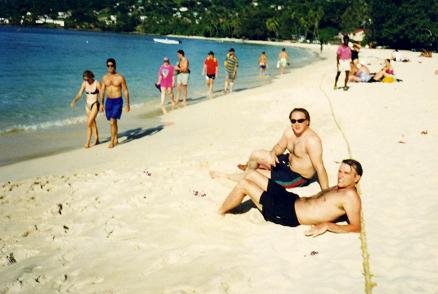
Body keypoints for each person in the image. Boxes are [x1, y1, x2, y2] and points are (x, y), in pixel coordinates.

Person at [213, 159, 363, 236]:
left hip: (288, 214)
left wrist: (328, 225)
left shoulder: (350, 196)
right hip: (291, 199)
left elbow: (356, 227)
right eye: (340, 171)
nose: (340, 176)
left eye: (346, 173)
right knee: (251, 174)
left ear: (356, 178)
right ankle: (226, 177)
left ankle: (219, 213)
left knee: (244, 185)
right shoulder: (340, 188)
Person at [237, 108, 329, 191]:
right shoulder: (290, 132)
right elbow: (280, 147)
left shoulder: (312, 141)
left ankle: (243, 174)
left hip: (295, 176)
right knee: (255, 154)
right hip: (286, 162)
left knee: (255, 174)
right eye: (293, 121)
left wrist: (326, 193)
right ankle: (249, 167)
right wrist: (273, 153)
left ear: (307, 122)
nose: (296, 124)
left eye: (300, 121)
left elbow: (320, 168)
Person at [101, 58, 130, 148]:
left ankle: (112, 141)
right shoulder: (104, 78)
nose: (110, 67)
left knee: (112, 121)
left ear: (115, 66)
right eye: (108, 65)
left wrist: (127, 104)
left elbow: (125, 90)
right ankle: (116, 137)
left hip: (117, 101)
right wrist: (101, 103)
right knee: (112, 121)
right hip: (108, 101)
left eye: (111, 65)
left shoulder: (120, 77)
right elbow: (102, 90)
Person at [70, 70, 101, 148]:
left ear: (91, 76)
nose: (86, 81)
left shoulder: (97, 83)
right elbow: (80, 93)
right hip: (87, 106)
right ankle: (97, 140)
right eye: (84, 79)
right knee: (93, 123)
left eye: (87, 79)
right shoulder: (84, 84)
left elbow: (102, 94)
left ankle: (87, 142)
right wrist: (74, 100)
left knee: (89, 123)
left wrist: (102, 105)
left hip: (95, 104)